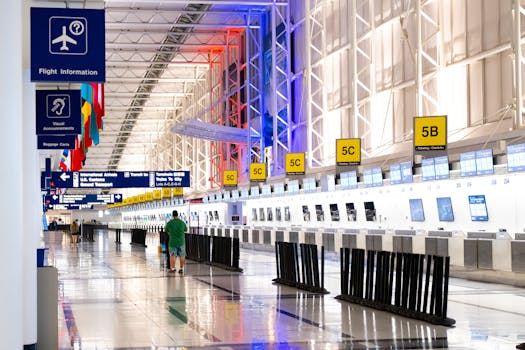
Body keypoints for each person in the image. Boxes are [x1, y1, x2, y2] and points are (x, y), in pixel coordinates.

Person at [164, 210, 188, 274]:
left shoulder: (169, 223)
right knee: (182, 256)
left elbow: (166, 229)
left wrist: (170, 233)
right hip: (181, 242)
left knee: (172, 256)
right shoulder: (182, 222)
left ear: (172, 215)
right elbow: (186, 229)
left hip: (172, 243)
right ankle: (181, 268)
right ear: (178, 215)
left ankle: (173, 268)